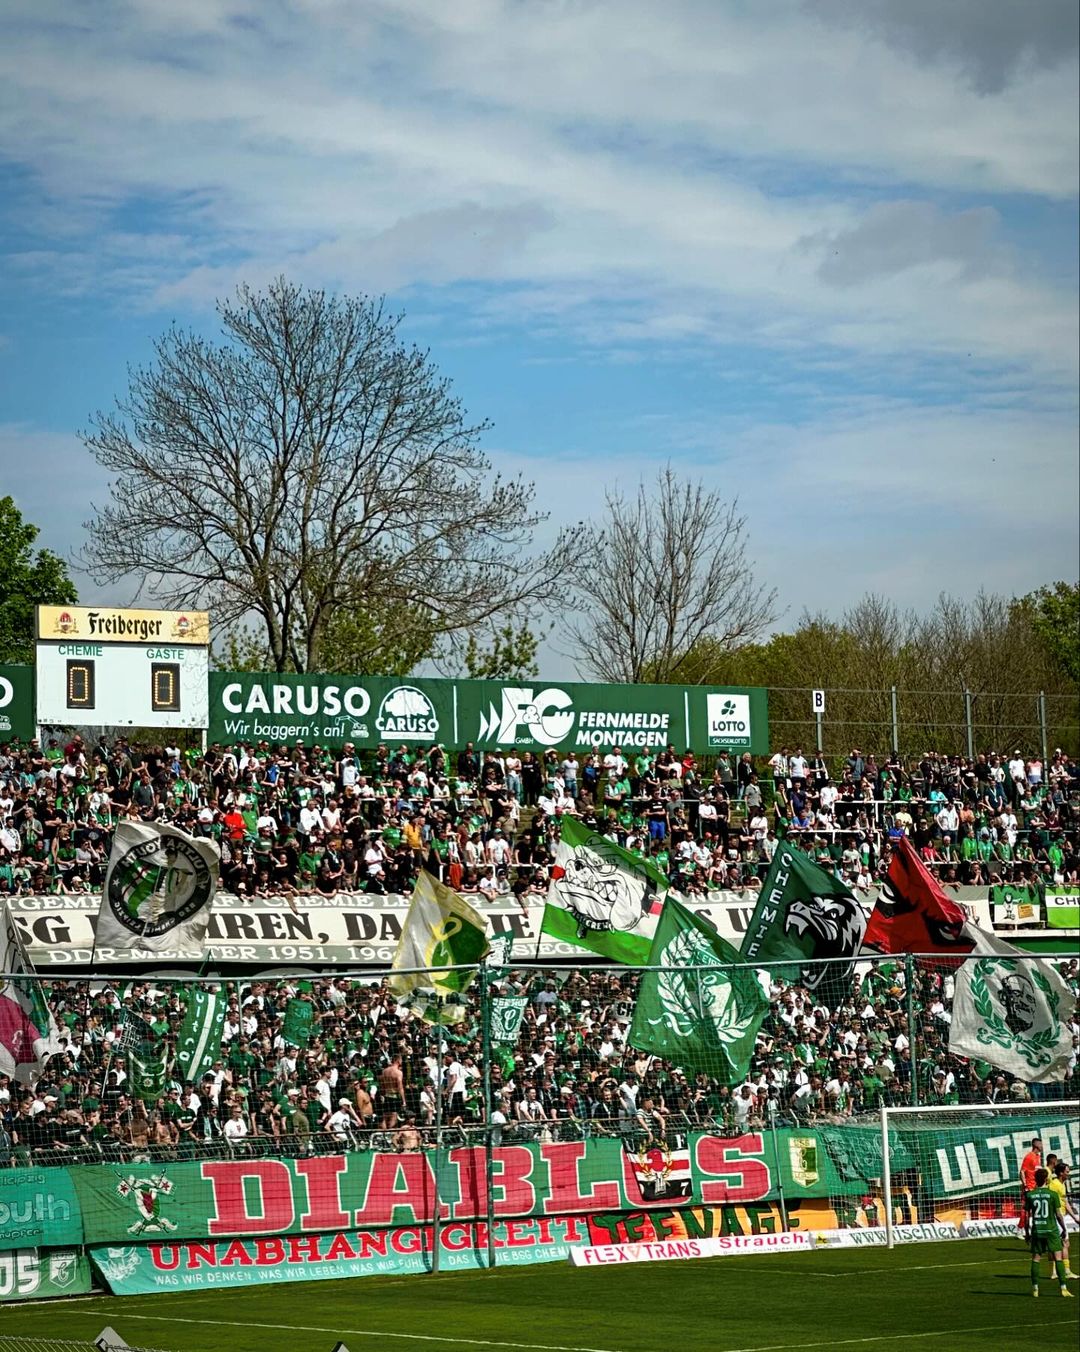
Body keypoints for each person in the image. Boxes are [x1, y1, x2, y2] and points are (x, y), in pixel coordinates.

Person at [1025, 1167, 1073, 1297]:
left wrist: (1027, 1233)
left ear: (1035, 1180)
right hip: (1051, 1230)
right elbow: (1058, 1215)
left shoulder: (1030, 1195)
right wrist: (1064, 1229)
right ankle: (1063, 1288)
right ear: (1047, 1180)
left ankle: (1035, 1289)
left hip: (1037, 1230)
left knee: (1036, 1259)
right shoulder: (1052, 1195)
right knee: (1058, 1258)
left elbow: (1027, 1217)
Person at [1049, 1162, 1078, 1280]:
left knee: (1055, 1244)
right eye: (1067, 1172)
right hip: (1057, 1217)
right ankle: (1066, 1271)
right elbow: (1050, 1199)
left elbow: (1065, 1202)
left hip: (1059, 1216)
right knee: (1065, 1243)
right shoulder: (1054, 1184)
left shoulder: (1061, 1184)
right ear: (1061, 1173)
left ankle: (1054, 1272)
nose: (1068, 1174)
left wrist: (1074, 1217)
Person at [1019, 1137, 1043, 1236]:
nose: (1042, 1146)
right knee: (1026, 1210)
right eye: (1041, 1144)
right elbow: (1022, 1172)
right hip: (1029, 1187)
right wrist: (1025, 1185)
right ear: (1036, 1145)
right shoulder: (1029, 1157)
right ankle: (1020, 1229)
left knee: (1035, 1210)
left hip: (1036, 1187)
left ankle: (1033, 1229)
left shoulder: (1038, 1157)